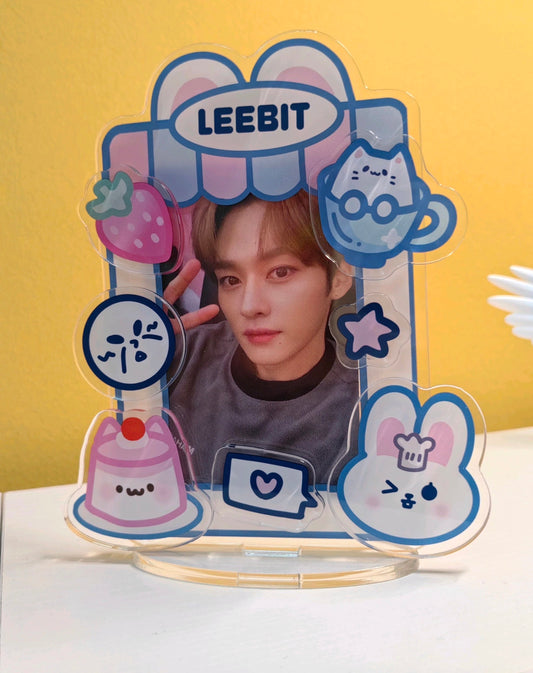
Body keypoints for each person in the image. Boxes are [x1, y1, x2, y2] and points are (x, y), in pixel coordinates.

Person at [164, 191, 358, 484]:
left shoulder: (367, 411)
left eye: (280, 272)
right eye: (231, 280)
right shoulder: (181, 359)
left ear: (339, 276)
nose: (249, 306)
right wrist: (134, 356)